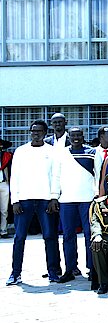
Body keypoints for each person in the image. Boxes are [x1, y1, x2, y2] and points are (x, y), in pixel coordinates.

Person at [7, 120, 62, 286]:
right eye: (33, 131)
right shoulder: (21, 151)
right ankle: (15, 274)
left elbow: (56, 175)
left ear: (45, 133)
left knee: (50, 236)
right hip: (24, 200)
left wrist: (54, 197)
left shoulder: (52, 151)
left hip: (46, 200)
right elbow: (14, 177)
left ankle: (53, 272)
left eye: (39, 131)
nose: (35, 134)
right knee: (19, 237)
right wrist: (15, 200)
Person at [55, 127, 97, 282]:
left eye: (79, 135)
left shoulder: (92, 152)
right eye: (73, 135)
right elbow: (56, 175)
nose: (76, 138)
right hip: (66, 200)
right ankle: (70, 269)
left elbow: (98, 174)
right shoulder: (61, 153)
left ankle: (92, 269)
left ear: (83, 136)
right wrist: (55, 196)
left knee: (90, 235)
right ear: (69, 137)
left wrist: (97, 195)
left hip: (88, 199)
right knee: (68, 236)